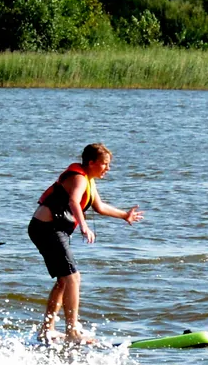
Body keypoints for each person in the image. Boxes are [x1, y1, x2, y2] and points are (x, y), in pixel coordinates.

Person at [28, 143, 143, 345]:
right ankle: (72, 333)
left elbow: (98, 206)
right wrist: (84, 226)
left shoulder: (88, 179)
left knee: (64, 280)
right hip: (47, 229)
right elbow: (73, 201)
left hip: (48, 229)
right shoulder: (79, 178)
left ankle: (47, 330)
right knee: (73, 278)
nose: (108, 168)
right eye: (104, 164)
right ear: (91, 163)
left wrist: (124, 215)